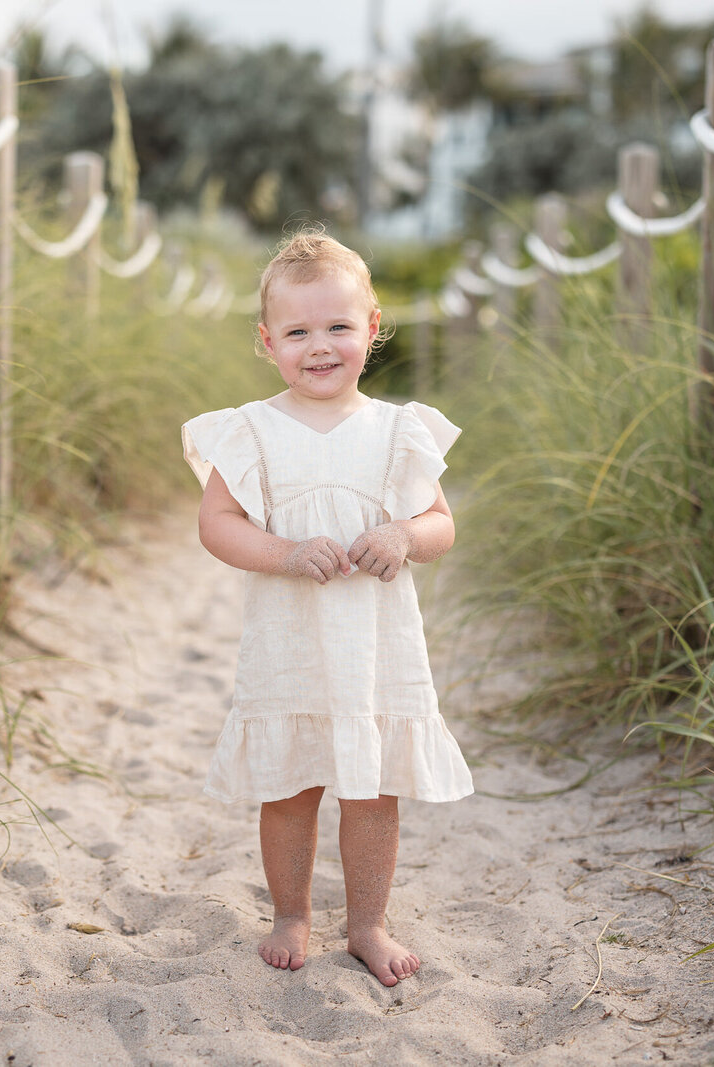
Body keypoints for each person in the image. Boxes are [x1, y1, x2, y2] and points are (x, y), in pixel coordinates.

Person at [181, 228, 473, 987]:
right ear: (267, 340)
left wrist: (405, 534)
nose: (320, 345)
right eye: (298, 330)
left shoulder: (398, 431)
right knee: (290, 787)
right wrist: (282, 552)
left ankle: (368, 922)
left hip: (375, 648)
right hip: (291, 643)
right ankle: (290, 912)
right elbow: (217, 526)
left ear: (373, 328)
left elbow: (443, 524)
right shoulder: (250, 431)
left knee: (373, 792)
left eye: (339, 326)